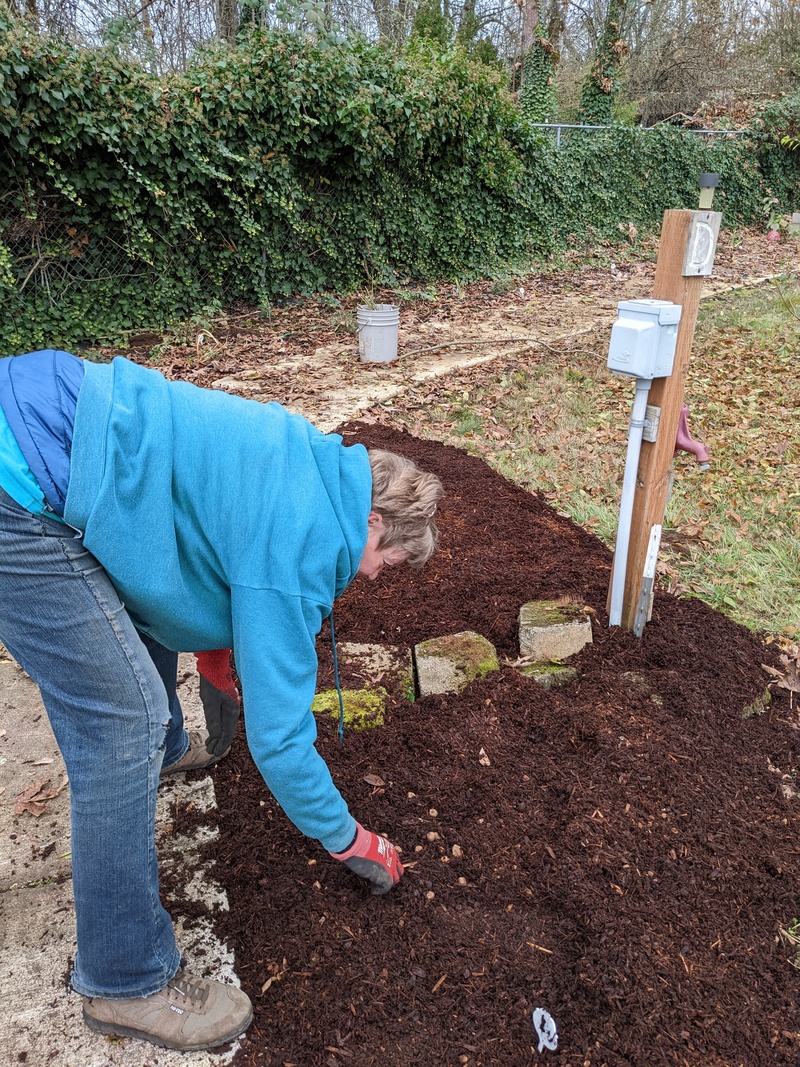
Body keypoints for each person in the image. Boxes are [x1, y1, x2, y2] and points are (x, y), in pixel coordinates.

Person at [0, 348, 443, 1052]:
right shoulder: (308, 544)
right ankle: (126, 979)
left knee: (139, 704)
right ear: (378, 526)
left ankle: (170, 751)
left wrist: (212, 641)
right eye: (383, 565)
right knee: (127, 723)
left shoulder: (309, 462)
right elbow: (280, 737)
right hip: (22, 487)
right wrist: (348, 838)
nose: (371, 576)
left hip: (47, 408)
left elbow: (187, 532)